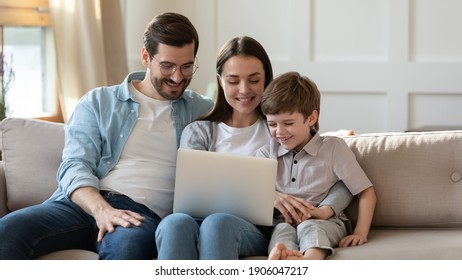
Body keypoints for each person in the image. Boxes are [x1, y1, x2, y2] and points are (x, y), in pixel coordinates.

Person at [0, 12, 214, 260]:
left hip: (140, 216)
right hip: (81, 204)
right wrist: (101, 210)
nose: (178, 77)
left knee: (125, 251)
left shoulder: (202, 110)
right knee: (7, 230)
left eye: (186, 66)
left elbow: (246, 117)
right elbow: (74, 166)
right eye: (167, 66)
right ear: (146, 57)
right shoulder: (99, 102)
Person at [155, 36, 353, 260]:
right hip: (198, 218)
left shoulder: (279, 130)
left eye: (254, 80)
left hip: (254, 228)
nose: (244, 90)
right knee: (174, 223)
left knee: (217, 223)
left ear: (266, 79)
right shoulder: (199, 132)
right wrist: (265, 193)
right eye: (233, 81)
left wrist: (338, 137)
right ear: (220, 81)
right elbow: (191, 192)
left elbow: (319, 158)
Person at [255, 71, 377, 260]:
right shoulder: (266, 153)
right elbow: (254, 195)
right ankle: (285, 259)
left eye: (288, 123)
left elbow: (366, 192)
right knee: (281, 231)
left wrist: (360, 233)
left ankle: (310, 262)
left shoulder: (333, 148)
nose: (279, 132)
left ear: (311, 118)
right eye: (272, 124)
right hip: (284, 222)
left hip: (327, 221)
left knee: (310, 226)